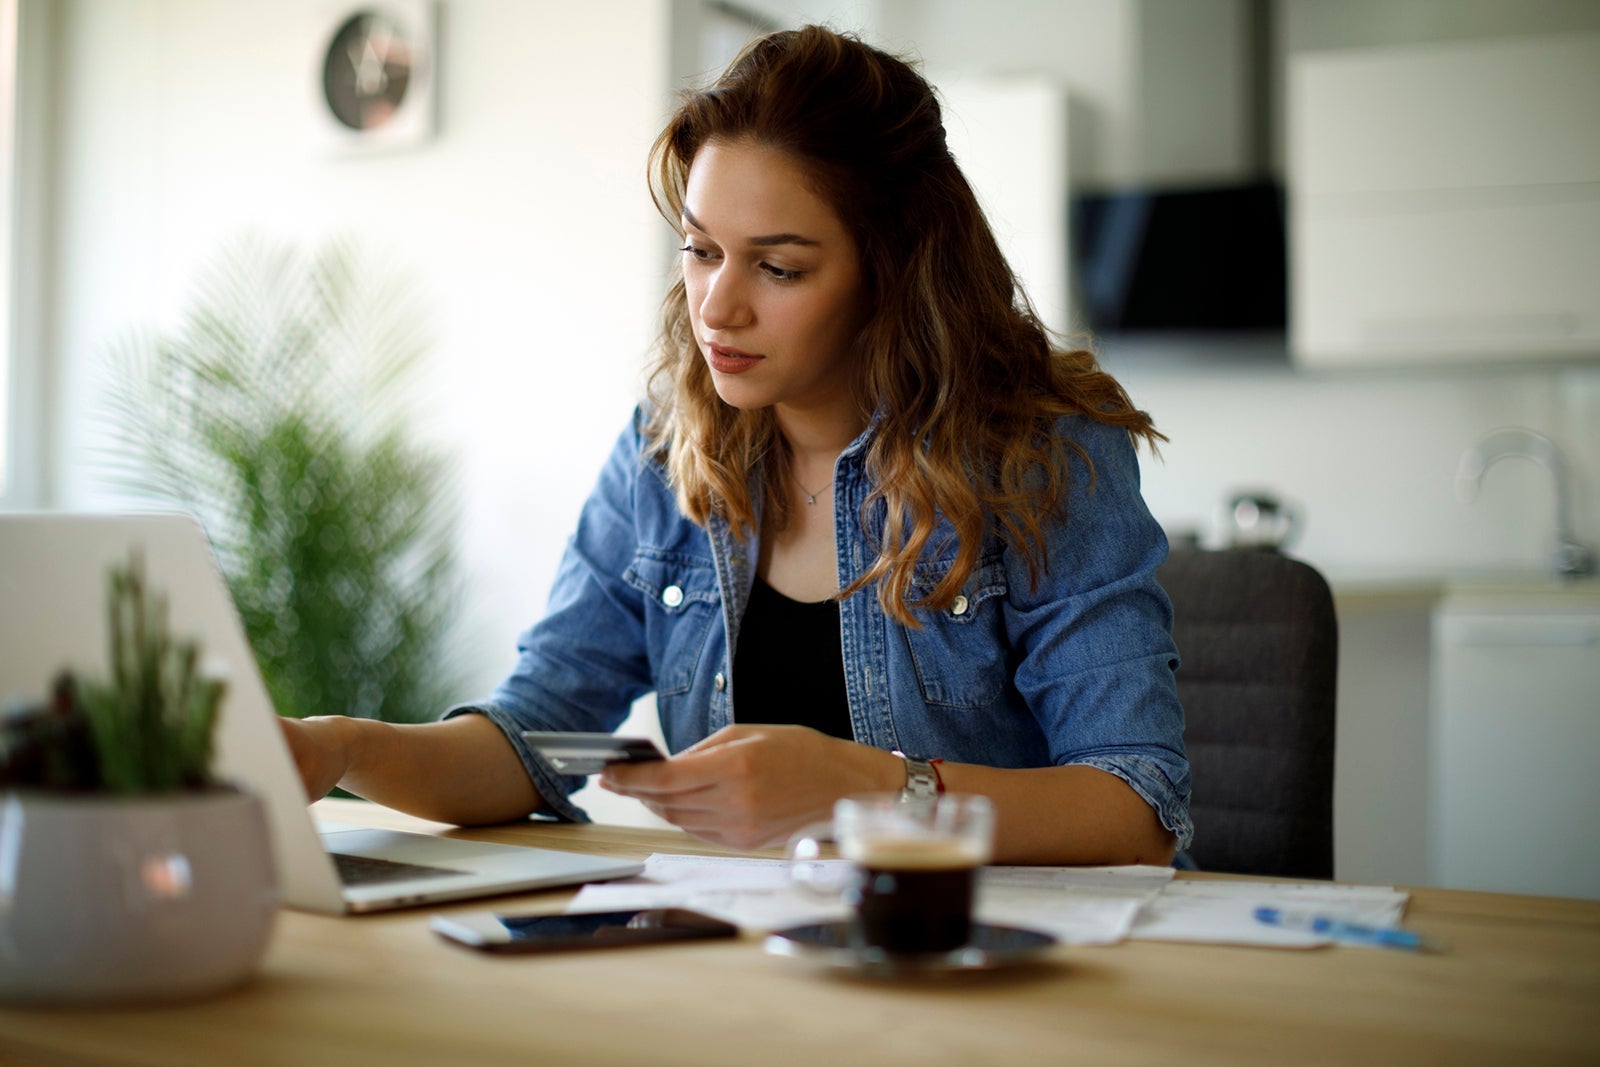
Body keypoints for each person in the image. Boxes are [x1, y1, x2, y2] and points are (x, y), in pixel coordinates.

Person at [282, 25, 1191, 867]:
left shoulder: (1041, 455)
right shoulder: (663, 447)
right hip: (759, 961)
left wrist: (865, 788)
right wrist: (344, 746)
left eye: (778, 266)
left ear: (896, 267)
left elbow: (1136, 809)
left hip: (985, 968)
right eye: (700, 249)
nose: (717, 307)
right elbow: (537, 740)